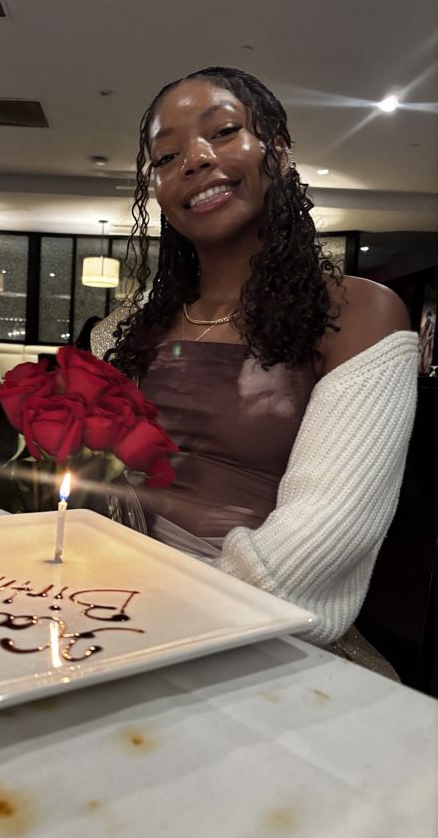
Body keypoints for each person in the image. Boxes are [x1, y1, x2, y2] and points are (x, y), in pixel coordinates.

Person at [91, 67, 417, 671]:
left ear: (279, 153)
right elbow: (96, 486)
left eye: (223, 131)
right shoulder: (124, 331)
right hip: (112, 599)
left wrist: (171, 614)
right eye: (166, 157)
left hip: (262, 629)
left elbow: (330, 525)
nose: (194, 159)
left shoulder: (360, 313)